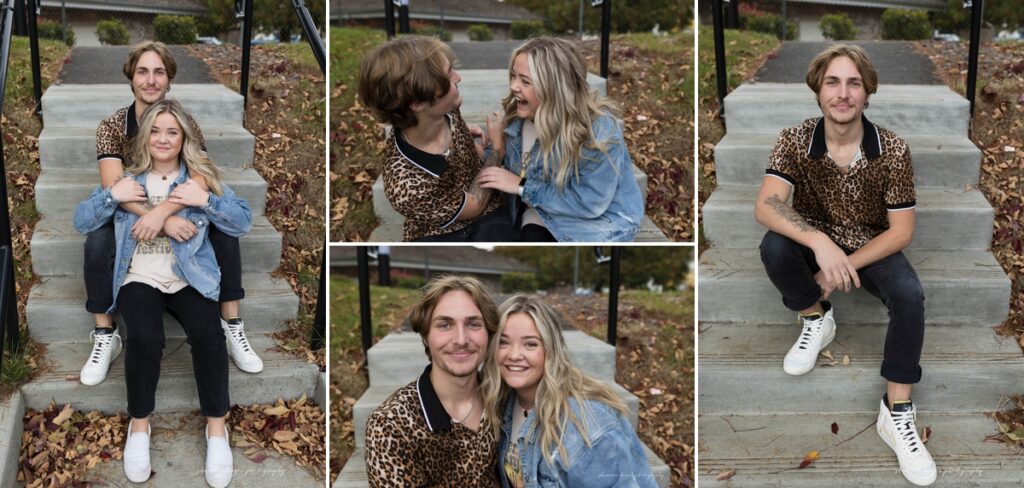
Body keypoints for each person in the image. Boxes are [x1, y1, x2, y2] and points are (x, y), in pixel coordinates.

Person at [753, 44, 935, 486]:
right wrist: (819, 244)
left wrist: (841, 264)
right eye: (832, 82)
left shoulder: (891, 149)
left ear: (867, 93)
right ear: (817, 90)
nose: (842, 93)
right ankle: (816, 318)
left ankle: (896, 413)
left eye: (854, 83)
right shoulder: (795, 140)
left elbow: (901, 232)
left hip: (872, 244)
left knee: (910, 296)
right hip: (816, 237)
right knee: (774, 246)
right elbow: (767, 204)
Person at [73, 99, 250, 487]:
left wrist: (206, 201)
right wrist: (111, 195)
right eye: (155, 130)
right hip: (139, 276)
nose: (163, 138)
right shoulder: (130, 179)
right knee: (144, 337)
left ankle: (216, 429)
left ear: (184, 136)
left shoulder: (196, 180)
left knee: (208, 336)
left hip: (190, 278)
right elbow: (82, 220)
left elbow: (242, 221)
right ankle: (139, 425)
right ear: (145, 136)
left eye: (172, 131)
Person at [81, 41, 262, 387]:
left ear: (169, 79)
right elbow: (115, 187)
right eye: (143, 72)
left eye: (159, 72)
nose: (151, 80)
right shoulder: (112, 126)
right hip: (129, 212)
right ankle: (105, 332)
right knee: (96, 241)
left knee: (222, 229)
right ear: (131, 78)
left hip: (172, 208)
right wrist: (160, 220)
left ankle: (231, 322)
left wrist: (164, 211)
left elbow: (199, 177)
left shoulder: (183, 120)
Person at [477, 37, 644, 242]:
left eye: (525, 81)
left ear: (554, 88)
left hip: (596, 222)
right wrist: (490, 147)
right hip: (540, 211)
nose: (513, 86)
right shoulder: (516, 118)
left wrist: (521, 186)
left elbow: (588, 203)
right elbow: (501, 172)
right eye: (513, 76)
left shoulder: (597, 130)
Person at [481, 295, 656, 487]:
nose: (514, 355)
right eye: (503, 342)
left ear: (551, 350)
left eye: (530, 344)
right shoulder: (505, 401)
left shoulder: (585, 426)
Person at [358, 36, 516, 242]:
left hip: (485, 208)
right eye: (448, 75)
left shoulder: (445, 111)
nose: (458, 77)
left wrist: (463, 132)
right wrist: (497, 150)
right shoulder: (407, 185)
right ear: (418, 103)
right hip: (445, 233)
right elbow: (475, 206)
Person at [363, 275, 499, 487]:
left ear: (488, 333)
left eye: (473, 324)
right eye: (445, 325)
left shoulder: (501, 399)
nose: (461, 340)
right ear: (426, 335)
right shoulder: (391, 425)